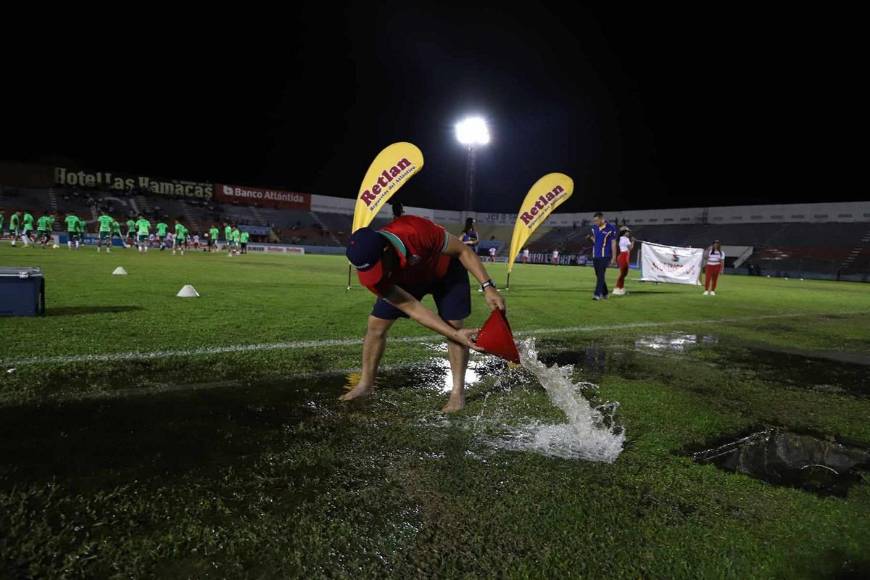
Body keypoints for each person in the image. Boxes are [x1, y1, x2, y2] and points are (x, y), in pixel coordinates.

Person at [343, 214, 505, 412]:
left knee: (454, 326)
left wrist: (488, 286)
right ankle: (366, 384)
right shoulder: (373, 278)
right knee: (376, 325)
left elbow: (462, 250)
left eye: (377, 267)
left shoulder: (415, 230)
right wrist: (452, 334)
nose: (375, 275)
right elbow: (412, 307)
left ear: (386, 250)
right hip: (406, 280)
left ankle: (457, 393)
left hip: (447, 273)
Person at [590, 212, 618, 300]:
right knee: (598, 275)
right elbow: (596, 241)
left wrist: (614, 257)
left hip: (605, 255)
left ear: (602, 219)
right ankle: (605, 293)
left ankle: (597, 294)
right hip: (595, 255)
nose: (595, 222)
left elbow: (613, 243)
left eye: (597, 220)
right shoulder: (594, 228)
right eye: (594, 221)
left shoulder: (611, 228)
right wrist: (590, 239)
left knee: (601, 274)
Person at [613, 226, 634, 296]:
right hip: (624, 256)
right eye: (627, 232)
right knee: (623, 274)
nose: (628, 233)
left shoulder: (621, 239)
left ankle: (621, 288)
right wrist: (633, 241)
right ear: (624, 232)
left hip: (623, 256)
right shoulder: (625, 239)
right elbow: (630, 248)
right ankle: (617, 288)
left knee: (624, 274)